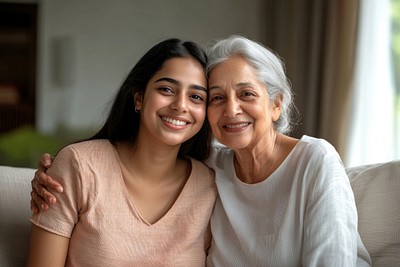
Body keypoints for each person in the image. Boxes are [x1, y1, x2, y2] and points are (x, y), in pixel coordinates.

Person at [30, 35, 371, 266]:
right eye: (217, 98)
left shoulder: (314, 162)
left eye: (246, 94)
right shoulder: (216, 168)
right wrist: (52, 170)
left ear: (277, 104)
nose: (231, 109)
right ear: (138, 97)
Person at [27, 38, 217, 266]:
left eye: (196, 97)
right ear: (139, 98)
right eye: (166, 89)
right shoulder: (80, 166)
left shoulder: (210, 185)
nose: (181, 105)